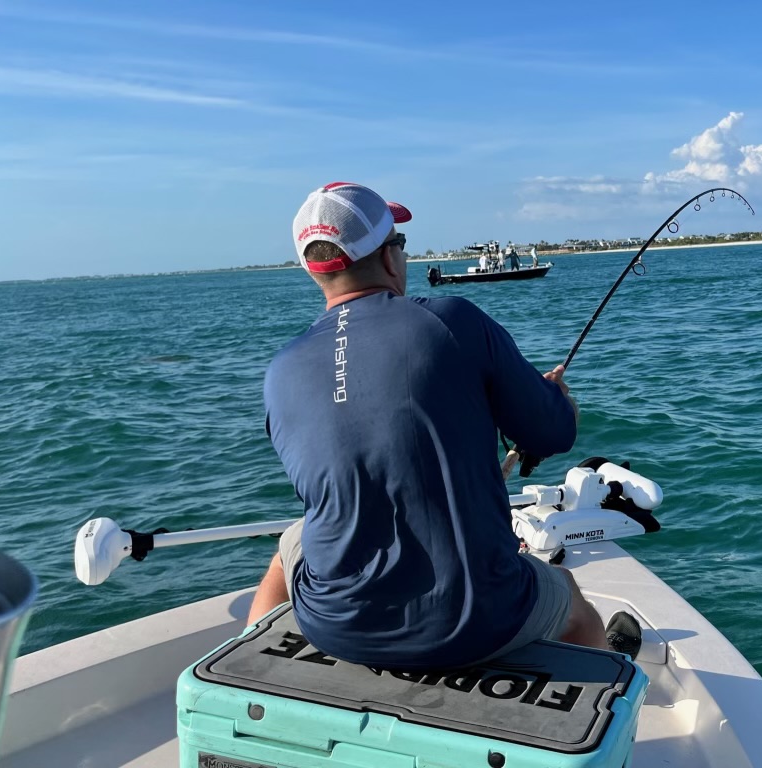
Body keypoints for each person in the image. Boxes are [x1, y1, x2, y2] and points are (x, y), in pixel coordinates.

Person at [247, 181, 639, 669]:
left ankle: (248, 669)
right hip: (475, 620)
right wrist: (556, 400)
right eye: (402, 244)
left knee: (289, 550)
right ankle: (602, 699)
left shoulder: (280, 370)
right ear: (390, 258)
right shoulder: (452, 321)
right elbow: (554, 433)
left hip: (335, 625)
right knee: (573, 601)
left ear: (314, 270)